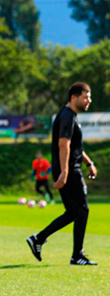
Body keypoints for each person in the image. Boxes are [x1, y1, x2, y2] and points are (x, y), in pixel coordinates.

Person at [26, 82, 98, 265]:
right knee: (82, 210)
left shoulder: (71, 116)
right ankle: (77, 256)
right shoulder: (67, 116)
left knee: (73, 212)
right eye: (86, 97)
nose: (89, 100)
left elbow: (74, 147)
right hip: (70, 170)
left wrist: (89, 163)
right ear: (74, 97)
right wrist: (65, 173)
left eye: (89, 97)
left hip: (70, 169)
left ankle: (38, 239)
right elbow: (63, 145)